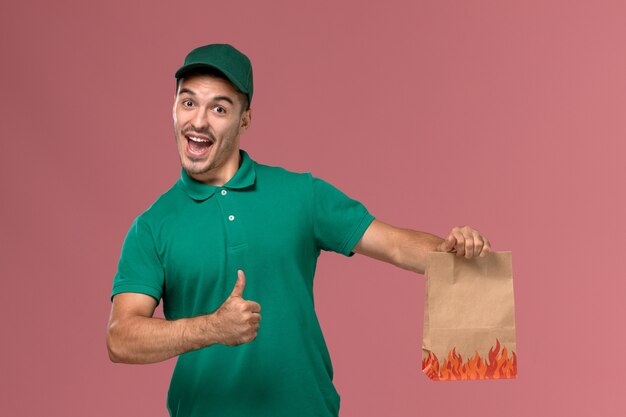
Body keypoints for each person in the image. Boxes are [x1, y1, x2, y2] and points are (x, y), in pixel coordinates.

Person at [107, 43, 491, 417]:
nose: (199, 121)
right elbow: (120, 338)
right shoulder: (152, 227)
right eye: (188, 102)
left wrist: (453, 250)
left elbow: (393, 245)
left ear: (244, 120)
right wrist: (212, 328)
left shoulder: (299, 194)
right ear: (173, 109)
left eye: (219, 108)